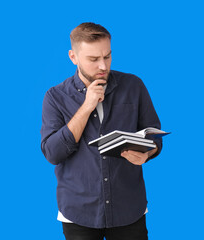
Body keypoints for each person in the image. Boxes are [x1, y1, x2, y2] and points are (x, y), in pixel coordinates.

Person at [40, 22, 163, 240]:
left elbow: (153, 136)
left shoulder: (134, 86)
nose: (103, 66)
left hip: (128, 208)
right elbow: (53, 153)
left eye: (107, 56)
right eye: (93, 59)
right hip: (79, 212)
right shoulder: (55, 97)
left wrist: (148, 153)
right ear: (73, 57)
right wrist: (87, 106)